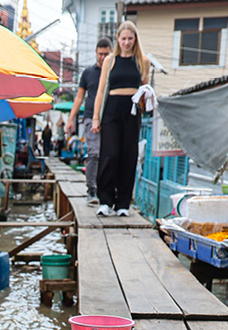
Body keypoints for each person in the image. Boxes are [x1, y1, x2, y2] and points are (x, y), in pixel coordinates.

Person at [91, 22, 149, 218]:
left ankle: (123, 203)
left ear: (135, 40)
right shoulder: (110, 60)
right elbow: (100, 91)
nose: (126, 42)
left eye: (130, 39)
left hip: (132, 110)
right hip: (112, 108)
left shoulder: (143, 61)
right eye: (123, 39)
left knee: (128, 156)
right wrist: (95, 118)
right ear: (118, 39)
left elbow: (145, 90)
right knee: (110, 154)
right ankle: (105, 200)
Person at [67, 37, 112, 205]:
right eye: (100, 54)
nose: (102, 57)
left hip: (109, 117)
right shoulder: (88, 73)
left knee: (108, 154)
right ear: (96, 53)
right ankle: (91, 189)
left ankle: (105, 189)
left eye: (106, 54)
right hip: (89, 117)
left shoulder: (113, 71)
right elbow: (79, 98)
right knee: (94, 152)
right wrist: (71, 119)